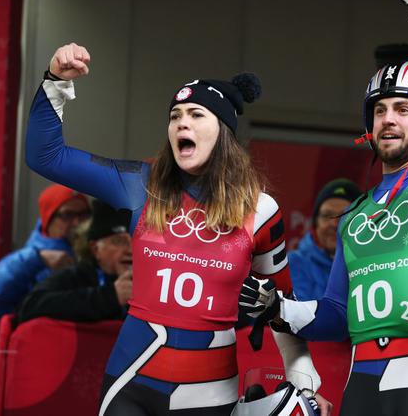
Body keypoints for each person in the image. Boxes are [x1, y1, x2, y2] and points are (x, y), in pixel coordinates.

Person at [25, 45, 328, 415]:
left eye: (196, 114)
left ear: (224, 131)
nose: (182, 122)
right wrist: (56, 81)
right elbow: (45, 156)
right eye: (175, 115)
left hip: (208, 392)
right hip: (130, 381)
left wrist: (301, 371)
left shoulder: (261, 210)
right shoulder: (141, 185)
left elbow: (279, 303)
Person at [240, 0, 408, 415]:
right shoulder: (353, 216)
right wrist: (278, 307)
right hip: (363, 384)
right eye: (380, 110)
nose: (388, 118)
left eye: (404, 108)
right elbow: (337, 315)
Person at [0, 183, 91, 321]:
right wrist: (37, 259)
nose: (77, 222)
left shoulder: (95, 253)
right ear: (48, 218)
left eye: (84, 214)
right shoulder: (29, 260)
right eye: (67, 215)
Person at [17, 199, 133, 323]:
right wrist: (111, 296)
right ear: (95, 249)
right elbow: (30, 306)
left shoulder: (152, 281)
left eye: (137, 241)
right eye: (119, 241)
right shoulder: (76, 276)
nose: (131, 250)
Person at [288, 178, 361, 300]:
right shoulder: (294, 263)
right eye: (327, 215)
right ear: (315, 223)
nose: (334, 224)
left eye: (344, 216)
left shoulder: (369, 265)